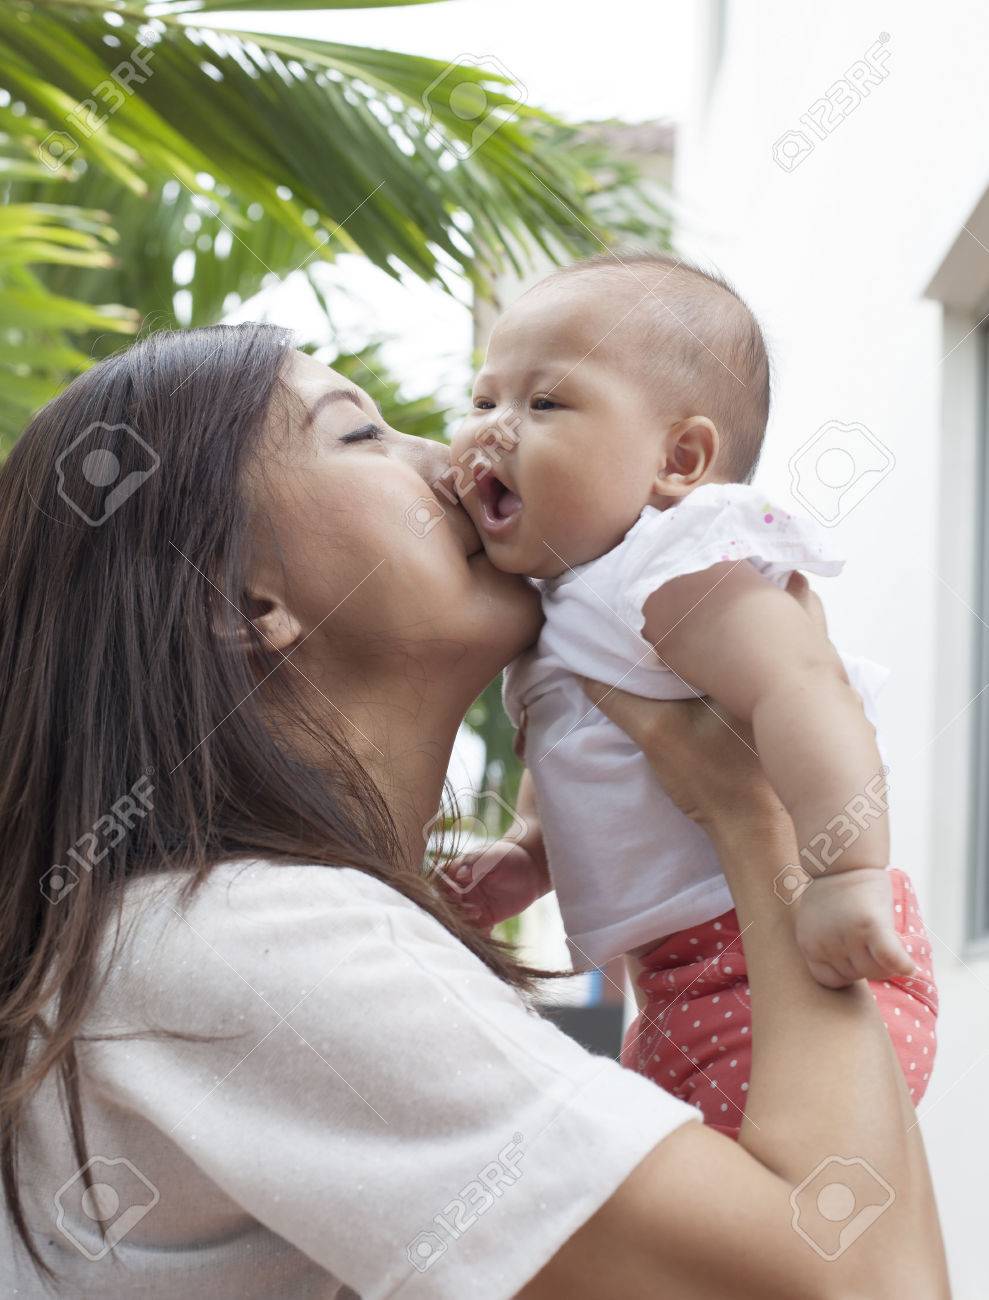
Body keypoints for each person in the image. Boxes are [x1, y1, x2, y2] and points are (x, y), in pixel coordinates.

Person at [0, 325, 946, 1297]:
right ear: (242, 603)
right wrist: (751, 812)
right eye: (361, 434)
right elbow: (864, 1285)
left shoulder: (193, 934)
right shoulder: (259, 942)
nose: (453, 457)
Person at [446, 252, 938, 1135]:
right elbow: (581, 765)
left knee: (761, 1191)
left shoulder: (668, 564)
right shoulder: (562, 606)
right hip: (677, 981)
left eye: (544, 404)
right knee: (698, 1189)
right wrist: (529, 856)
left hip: (786, 948)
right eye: (483, 402)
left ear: (678, 458)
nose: (493, 429)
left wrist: (843, 872)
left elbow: (802, 687)